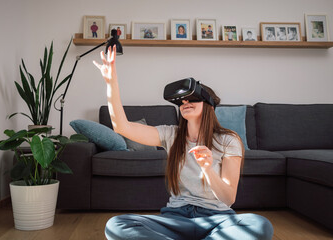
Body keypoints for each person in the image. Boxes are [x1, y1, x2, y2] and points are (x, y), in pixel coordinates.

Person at [93, 45, 274, 240]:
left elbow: (229, 198)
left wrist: (208, 169)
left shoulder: (228, 140)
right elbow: (122, 127)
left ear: (209, 106)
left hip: (218, 220)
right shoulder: (170, 134)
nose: (185, 103)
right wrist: (111, 83)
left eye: (192, 98)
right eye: (181, 101)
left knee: (259, 224)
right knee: (116, 225)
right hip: (175, 219)